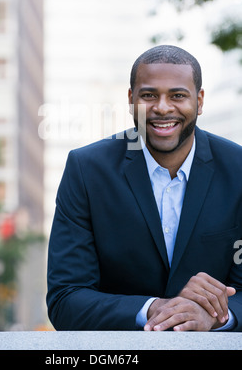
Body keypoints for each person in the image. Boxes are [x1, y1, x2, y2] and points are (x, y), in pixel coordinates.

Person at [46, 44, 242, 331]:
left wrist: (214, 317)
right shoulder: (86, 170)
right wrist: (152, 308)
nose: (163, 108)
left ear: (199, 101)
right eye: (149, 95)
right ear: (130, 100)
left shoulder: (238, 171)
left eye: (178, 95)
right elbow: (66, 298)